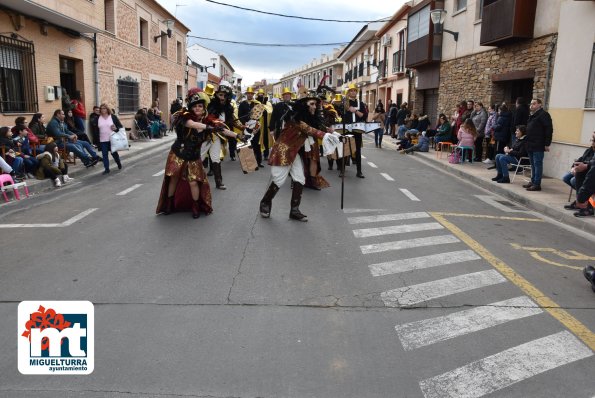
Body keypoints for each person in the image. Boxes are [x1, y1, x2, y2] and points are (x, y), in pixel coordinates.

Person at [156, 88, 236, 219]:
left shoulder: (209, 121)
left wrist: (238, 136)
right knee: (174, 178)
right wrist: (209, 128)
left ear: (204, 108)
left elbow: (222, 130)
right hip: (178, 154)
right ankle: (169, 204)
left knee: (194, 182)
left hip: (194, 156)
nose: (198, 108)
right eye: (195, 106)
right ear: (191, 108)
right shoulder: (184, 117)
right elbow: (192, 124)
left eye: (200, 106)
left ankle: (195, 207)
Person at [258, 92, 335, 221]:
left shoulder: (307, 118)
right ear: (304, 106)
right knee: (279, 180)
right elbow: (309, 130)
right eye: (312, 104)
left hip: (295, 153)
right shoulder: (296, 119)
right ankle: (265, 202)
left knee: (299, 179)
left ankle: (294, 210)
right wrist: (327, 136)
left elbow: (316, 127)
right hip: (284, 152)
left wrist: (333, 134)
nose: (315, 107)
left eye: (316, 104)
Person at [206, 81, 244, 189]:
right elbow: (213, 121)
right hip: (204, 136)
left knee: (215, 158)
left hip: (216, 137)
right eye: (220, 95)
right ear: (216, 95)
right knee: (195, 158)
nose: (222, 97)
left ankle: (219, 182)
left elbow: (232, 121)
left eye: (225, 95)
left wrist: (243, 127)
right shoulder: (210, 106)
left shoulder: (227, 108)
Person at [523, 98, 553, 192]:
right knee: (532, 165)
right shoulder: (532, 115)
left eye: (534, 104)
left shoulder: (544, 115)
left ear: (539, 105)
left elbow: (549, 129)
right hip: (530, 144)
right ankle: (533, 181)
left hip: (538, 144)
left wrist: (547, 144)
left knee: (537, 164)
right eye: (531, 104)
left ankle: (537, 184)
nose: (531, 105)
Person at [563, 132, 595, 210]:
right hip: (584, 171)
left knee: (574, 180)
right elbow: (580, 160)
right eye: (592, 139)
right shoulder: (589, 150)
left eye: (593, 139)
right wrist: (574, 168)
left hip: (588, 173)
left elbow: (592, 165)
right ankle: (580, 201)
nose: (592, 141)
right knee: (566, 177)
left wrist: (584, 167)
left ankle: (584, 202)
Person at [343, 83, 367, 178]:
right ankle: (342, 170)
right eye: (351, 90)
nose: (353, 92)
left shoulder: (360, 103)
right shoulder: (344, 103)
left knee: (358, 151)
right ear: (348, 93)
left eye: (354, 90)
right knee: (346, 149)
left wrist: (355, 111)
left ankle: (359, 171)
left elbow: (364, 116)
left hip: (357, 130)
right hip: (347, 129)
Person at [96, 103, 123, 174]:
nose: (102, 110)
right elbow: (96, 129)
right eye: (101, 109)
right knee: (104, 155)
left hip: (112, 139)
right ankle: (107, 169)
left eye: (104, 108)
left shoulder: (113, 117)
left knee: (114, 153)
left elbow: (120, 126)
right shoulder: (98, 118)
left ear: (107, 109)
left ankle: (118, 163)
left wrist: (115, 128)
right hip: (102, 140)